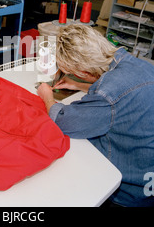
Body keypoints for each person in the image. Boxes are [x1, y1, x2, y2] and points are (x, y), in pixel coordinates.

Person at [37, 24, 154, 207]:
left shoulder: (109, 94)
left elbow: (63, 120)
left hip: (130, 191)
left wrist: (47, 96)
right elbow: (120, 96)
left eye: (72, 73)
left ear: (84, 72)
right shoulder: (135, 62)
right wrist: (81, 86)